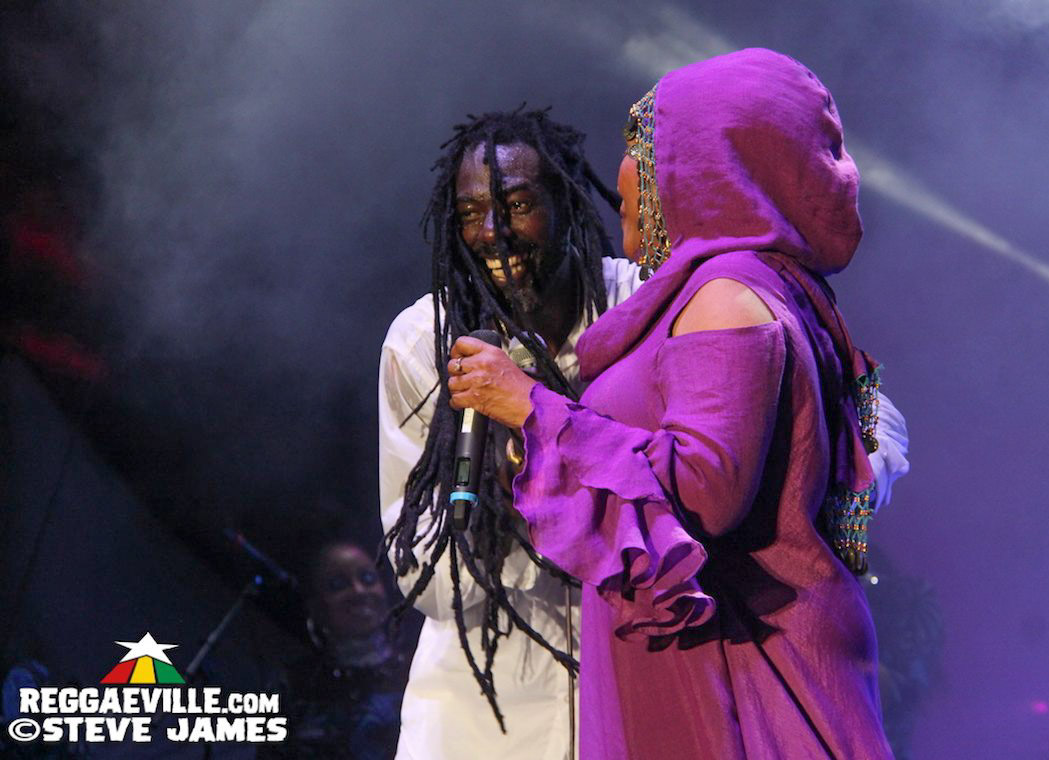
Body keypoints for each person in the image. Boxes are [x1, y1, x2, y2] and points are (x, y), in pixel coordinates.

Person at [446, 49, 898, 759]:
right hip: (719, 657)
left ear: (715, 163)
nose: (623, 174)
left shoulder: (727, 294)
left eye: (643, 148)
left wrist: (530, 405)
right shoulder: (748, 289)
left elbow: (706, 491)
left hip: (738, 675)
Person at [379, 108, 640, 760]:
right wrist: (510, 501)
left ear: (565, 200)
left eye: (517, 204)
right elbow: (420, 573)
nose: (492, 232)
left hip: (632, 693)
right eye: (470, 214)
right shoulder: (422, 344)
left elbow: (857, 407)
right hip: (482, 716)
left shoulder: (640, 307)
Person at [263, 540, 403, 759]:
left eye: (367, 578)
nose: (358, 591)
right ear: (316, 607)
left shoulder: (423, 666)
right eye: (338, 584)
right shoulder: (293, 687)